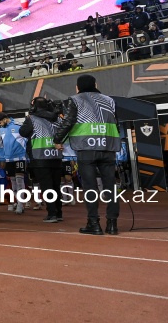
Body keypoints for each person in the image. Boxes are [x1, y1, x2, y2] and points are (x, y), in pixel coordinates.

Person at [54, 75, 121, 235]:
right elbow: (116, 122)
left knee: (90, 187)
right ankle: (112, 224)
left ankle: (94, 223)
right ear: (96, 84)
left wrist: (58, 139)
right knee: (110, 186)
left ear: (77, 88)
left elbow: (68, 121)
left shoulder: (74, 100)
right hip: (108, 147)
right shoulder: (109, 100)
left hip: (86, 148)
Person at [19, 97, 64, 223]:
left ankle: (52, 214)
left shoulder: (31, 119)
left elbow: (22, 132)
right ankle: (59, 213)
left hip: (40, 157)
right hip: (56, 156)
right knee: (56, 186)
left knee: (46, 186)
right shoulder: (58, 119)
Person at [0, 112, 27, 215]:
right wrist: (1, 159)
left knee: (19, 180)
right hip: (7, 159)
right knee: (13, 182)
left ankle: (21, 205)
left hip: (20, 157)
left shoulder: (19, 126)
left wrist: (27, 156)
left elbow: (27, 140)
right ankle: (17, 201)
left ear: (5, 119)